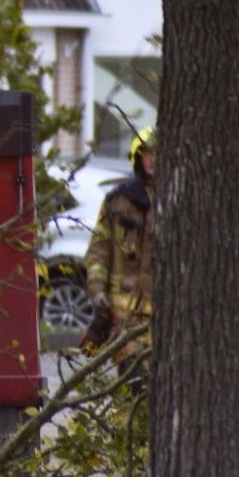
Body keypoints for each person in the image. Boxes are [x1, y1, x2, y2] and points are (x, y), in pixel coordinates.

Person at [82, 126, 156, 354]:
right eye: (147, 153)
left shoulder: (179, 199)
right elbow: (98, 253)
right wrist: (99, 296)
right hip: (123, 319)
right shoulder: (117, 201)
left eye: (160, 153)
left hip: (164, 318)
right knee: (132, 382)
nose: (153, 159)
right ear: (137, 157)